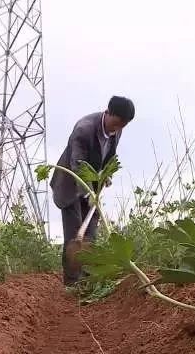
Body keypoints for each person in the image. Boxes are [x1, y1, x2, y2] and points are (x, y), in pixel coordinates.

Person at [50, 95, 135, 286]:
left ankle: (88, 280)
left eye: (124, 125)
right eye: (118, 122)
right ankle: (72, 284)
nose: (119, 128)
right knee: (74, 237)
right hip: (71, 185)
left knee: (90, 235)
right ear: (109, 113)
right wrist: (88, 191)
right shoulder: (84, 129)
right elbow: (78, 164)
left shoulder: (117, 131)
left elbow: (109, 157)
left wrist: (106, 175)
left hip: (94, 187)